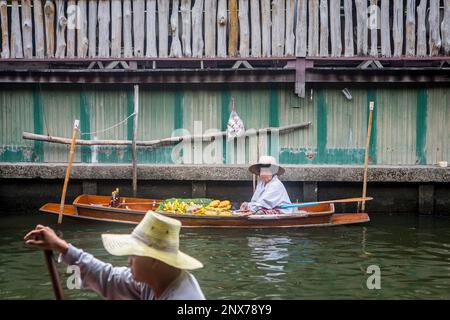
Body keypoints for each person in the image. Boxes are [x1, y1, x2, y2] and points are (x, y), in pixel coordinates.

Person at [24, 211, 205, 300]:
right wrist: (62, 247)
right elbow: (109, 277)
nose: (129, 260)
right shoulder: (154, 282)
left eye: (133, 254)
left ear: (154, 260)